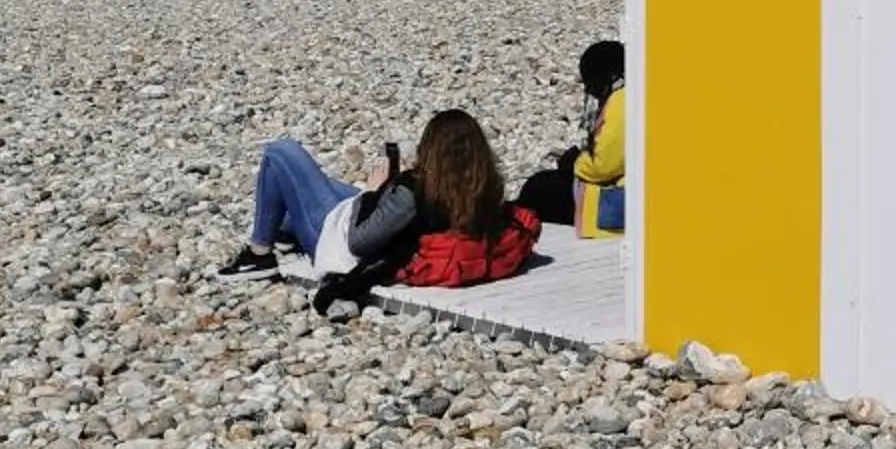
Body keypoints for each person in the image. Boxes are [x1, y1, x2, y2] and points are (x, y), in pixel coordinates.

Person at [219, 109, 538, 287]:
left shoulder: (415, 194)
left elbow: (359, 241)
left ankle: (258, 254)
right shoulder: (481, 188)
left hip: (339, 243)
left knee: (281, 153)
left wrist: (374, 193)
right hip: (397, 223)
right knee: (322, 185)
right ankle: (285, 229)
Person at [517, 40, 626, 234]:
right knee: (541, 186)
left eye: (591, 81)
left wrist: (575, 163)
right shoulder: (630, 96)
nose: (590, 90)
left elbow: (603, 165)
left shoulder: (621, 101)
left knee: (539, 189)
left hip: (614, 204)